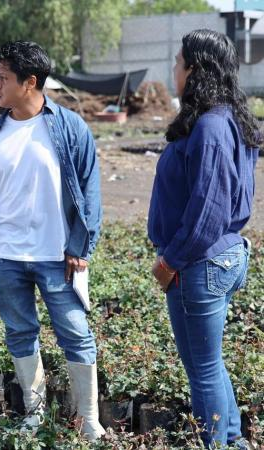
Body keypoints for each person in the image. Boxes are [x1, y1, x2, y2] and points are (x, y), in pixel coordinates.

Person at [0, 41, 105, 440]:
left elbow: (90, 191)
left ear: (30, 82)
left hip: (57, 256)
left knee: (76, 333)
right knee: (20, 333)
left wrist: (81, 247)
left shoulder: (69, 127)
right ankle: (34, 413)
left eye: (3, 78)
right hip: (5, 255)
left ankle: (89, 419)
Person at [148, 29, 258, 449]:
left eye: (178, 63)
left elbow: (208, 211)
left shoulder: (211, 126)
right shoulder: (227, 118)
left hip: (200, 262)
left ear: (195, 70)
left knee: (203, 370)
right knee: (210, 364)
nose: (173, 70)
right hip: (220, 257)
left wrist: (170, 261)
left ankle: (217, 444)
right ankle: (232, 440)